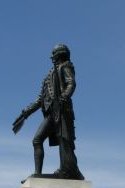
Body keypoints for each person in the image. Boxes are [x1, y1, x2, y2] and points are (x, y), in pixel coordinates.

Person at [13, 44, 84, 180]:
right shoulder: (49, 75)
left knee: (64, 142)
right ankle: (38, 174)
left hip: (61, 111)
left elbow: (71, 83)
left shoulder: (65, 66)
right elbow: (41, 99)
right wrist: (25, 113)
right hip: (51, 113)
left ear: (60, 54)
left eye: (54, 54)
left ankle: (68, 170)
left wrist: (64, 96)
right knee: (37, 140)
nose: (52, 57)